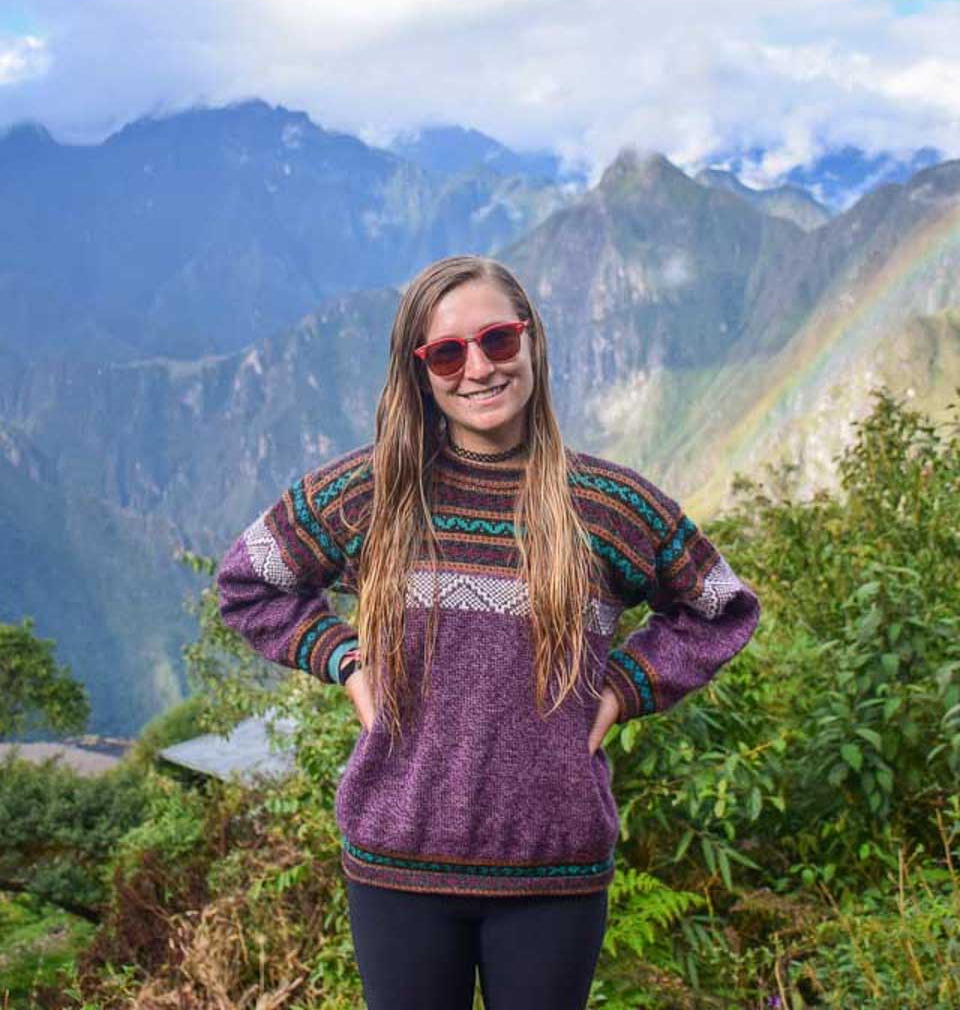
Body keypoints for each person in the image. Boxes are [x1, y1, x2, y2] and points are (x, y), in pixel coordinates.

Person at [216, 254, 760, 1010]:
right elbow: (248, 581)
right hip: (398, 861)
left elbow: (722, 606)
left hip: (553, 866)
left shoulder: (606, 506)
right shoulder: (375, 492)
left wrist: (621, 691)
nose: (477, 368)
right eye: (447, 352)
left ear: (531, 340)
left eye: (497, 340)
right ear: (421, 371)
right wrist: (348, 663)